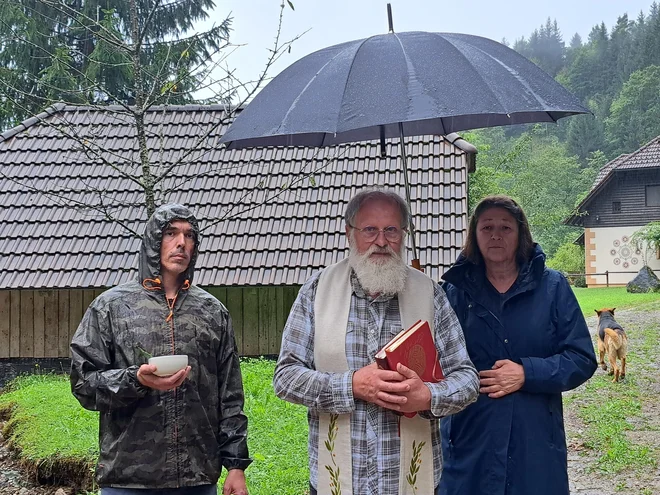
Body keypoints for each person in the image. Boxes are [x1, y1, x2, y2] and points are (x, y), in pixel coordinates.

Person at [273, 189, 479, 495]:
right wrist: (353, 385)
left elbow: (467, 380)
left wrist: (429, 396)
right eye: (370, 230)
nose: (381, 241)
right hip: (338, 483)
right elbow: (286, 378)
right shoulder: (317, 291)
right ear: (349, 233)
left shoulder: (430, 294)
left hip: (412, 483)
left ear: (403, 234)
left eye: (391, 230)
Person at [70, 204, 250, 495]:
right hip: (127, 478)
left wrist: (236, 465)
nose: (181, 243)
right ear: (153, 241)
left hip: (197, 478)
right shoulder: (110, 308)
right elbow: (83, 384)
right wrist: (135, 380)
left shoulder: (212, 312)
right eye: (171, 233)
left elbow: (230, 396)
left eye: (190, 236)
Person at [439, 195, 598, 495]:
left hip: (534, 440)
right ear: (474, 234)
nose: (496, 235)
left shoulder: (552, 287)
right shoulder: (452, 292)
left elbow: (582, 358)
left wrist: (527, 373)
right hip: (470, 438)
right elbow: (434, 363)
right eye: (487, 227)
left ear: (521, 233)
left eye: (505, 227)